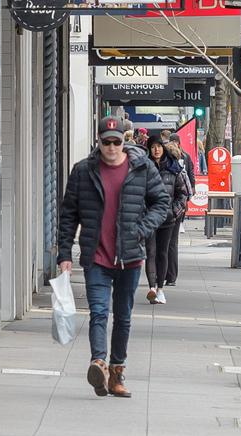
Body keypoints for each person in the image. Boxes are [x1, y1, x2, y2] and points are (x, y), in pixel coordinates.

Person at [57, 116, 171, 398]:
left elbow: (162, 202)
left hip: (130, 257)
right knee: (98, 312)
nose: (110, 147)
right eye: (105, 142)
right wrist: (64, 254)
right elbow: (68, 214)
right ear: (98, 142)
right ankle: (99, 363)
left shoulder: (141, 168)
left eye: (116, 142)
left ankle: (117, 372)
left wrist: (142, 230)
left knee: (123, 317)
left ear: (123, 141)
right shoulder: (83, 171)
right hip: (96, 255)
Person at [144, 135, 190, 305]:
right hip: (149, 218)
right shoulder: (143, 168)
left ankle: (160, 289)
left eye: (159, 146)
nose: (156, 149)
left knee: (162, 253)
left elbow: (183, 193)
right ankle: (152, 288)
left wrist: (174, 211)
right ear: (149, 149)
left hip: (167, 218)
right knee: (150, 252)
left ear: (163, 148)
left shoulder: (173, 168)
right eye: (153, 146)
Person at [166, 133, 196, 287]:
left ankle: (167, 274)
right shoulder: (185, 161)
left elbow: (189, 181)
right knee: (172, 243)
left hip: (171, 209)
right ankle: (170, 275)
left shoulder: (179, 167)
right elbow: (190, 183)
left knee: (167, 243)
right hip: (176, 208)